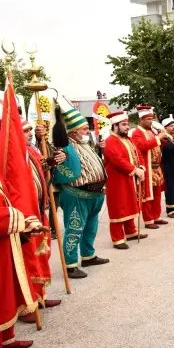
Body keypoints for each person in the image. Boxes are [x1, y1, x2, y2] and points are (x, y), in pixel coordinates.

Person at [51, 103, 109, 279]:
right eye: (84, 128)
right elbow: (58, 163)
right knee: (74, 229)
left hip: (95, 194)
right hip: (76, 194)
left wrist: (100, 149)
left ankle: (88, 255)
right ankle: (70, 264)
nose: (87, 131)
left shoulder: (85, 143)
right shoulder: (64, 146)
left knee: (91, 227)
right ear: (73, 131)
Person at [19, 119, 65, 323]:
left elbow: (43, 166)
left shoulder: (31, 150)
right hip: (24, 218)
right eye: (25, 130)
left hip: (39, 211)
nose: (30, 133)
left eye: (30, 129)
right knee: (26, 260)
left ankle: (40, 296)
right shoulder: (8, 154)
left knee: (42, 255)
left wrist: (53, 161)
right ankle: (25, 306)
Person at [0, 179, 43, 348]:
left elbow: (11, 197)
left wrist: (27, 223)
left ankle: (7, 339)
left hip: (5, 241)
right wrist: (17, 218)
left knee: (5, 292)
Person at [103, 111, 147, 249]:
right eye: (124, 124)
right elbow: (117, 160)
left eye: (127, 124)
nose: (127, 127)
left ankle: (130, 231)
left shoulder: (128, 139)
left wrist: (141, 167)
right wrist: (134, 170)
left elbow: (138, 153)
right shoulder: (109, 141)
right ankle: (117, 238)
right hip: (117, 179)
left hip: (130, 177)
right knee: (119, 206)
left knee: (130, 203)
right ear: (115, 126)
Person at [131, 106, 170, 229]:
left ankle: (156, 216)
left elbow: (158, 145)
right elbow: (142, 146)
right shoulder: (137, 133)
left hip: (156, 167)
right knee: (148, 195)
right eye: (147, 119)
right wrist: (158, 138)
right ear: (141, 120)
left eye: (151, 119)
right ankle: (148, 220)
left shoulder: (151, 131)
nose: (150, 121)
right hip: (147, 167)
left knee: (157, 193)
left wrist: (164, 138)